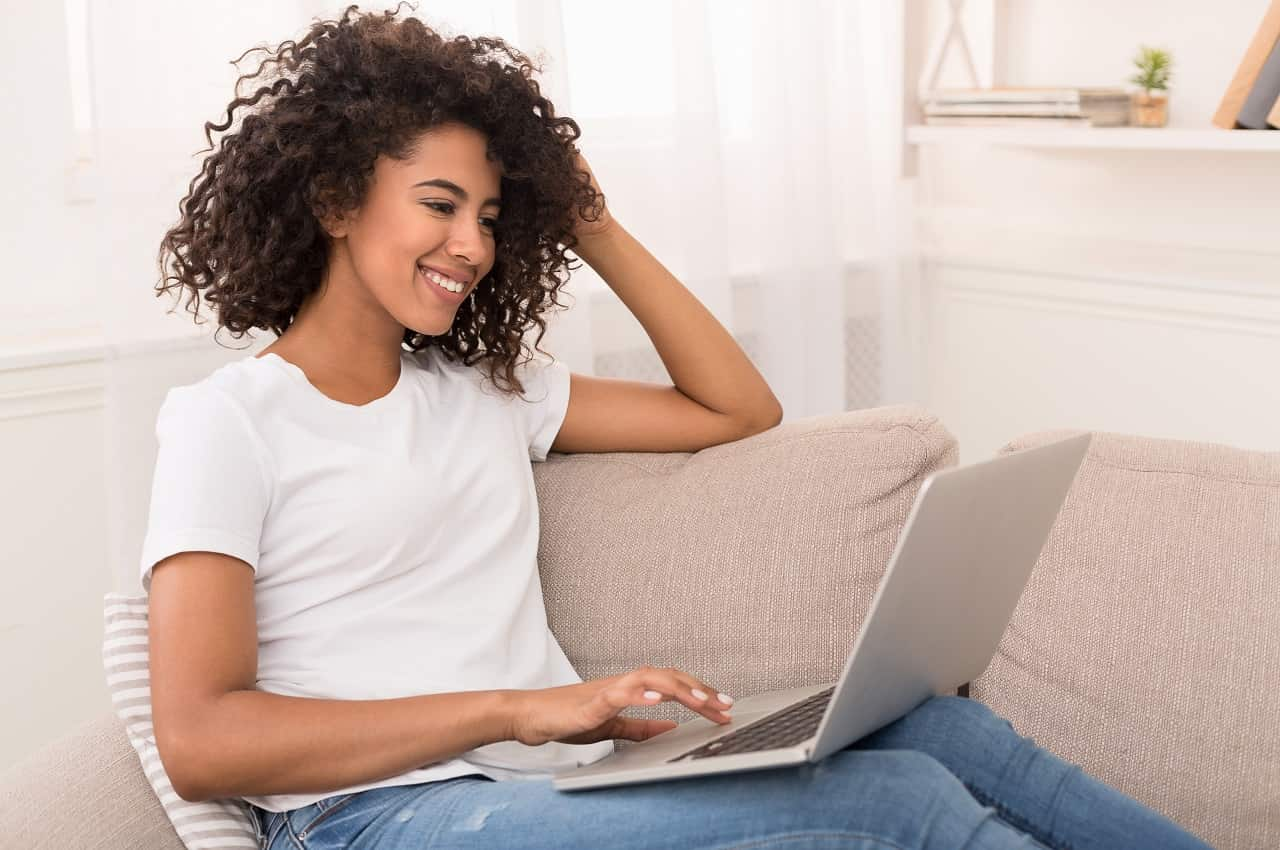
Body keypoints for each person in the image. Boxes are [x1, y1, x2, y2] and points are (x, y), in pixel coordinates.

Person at [143, 5, 1213, 849]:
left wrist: (590, 223)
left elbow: (735, 407)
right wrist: (519, 709)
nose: (469, 244)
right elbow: (202, 740)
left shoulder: (486, 395)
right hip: (381, 819)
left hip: (544, 785)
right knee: (898, 804)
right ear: (333, 200)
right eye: (437, 203)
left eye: (490, 216)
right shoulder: (226, 424)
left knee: (940, 729)